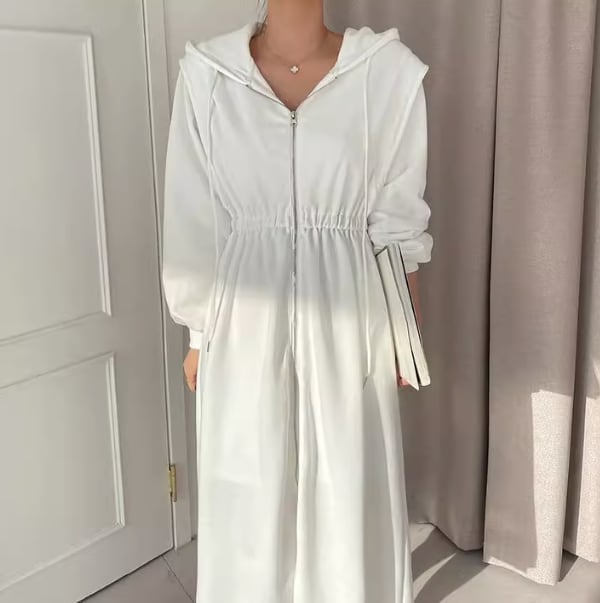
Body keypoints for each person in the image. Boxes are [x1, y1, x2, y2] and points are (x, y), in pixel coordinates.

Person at [161, 1, 433, 601]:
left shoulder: (387, 73)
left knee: (346, 479)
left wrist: (404, 333)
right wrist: (199, 333)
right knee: (250, 480)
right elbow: (193, 218)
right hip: (244, 314)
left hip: (349, 309)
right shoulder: (207, 76)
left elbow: (399, 224)